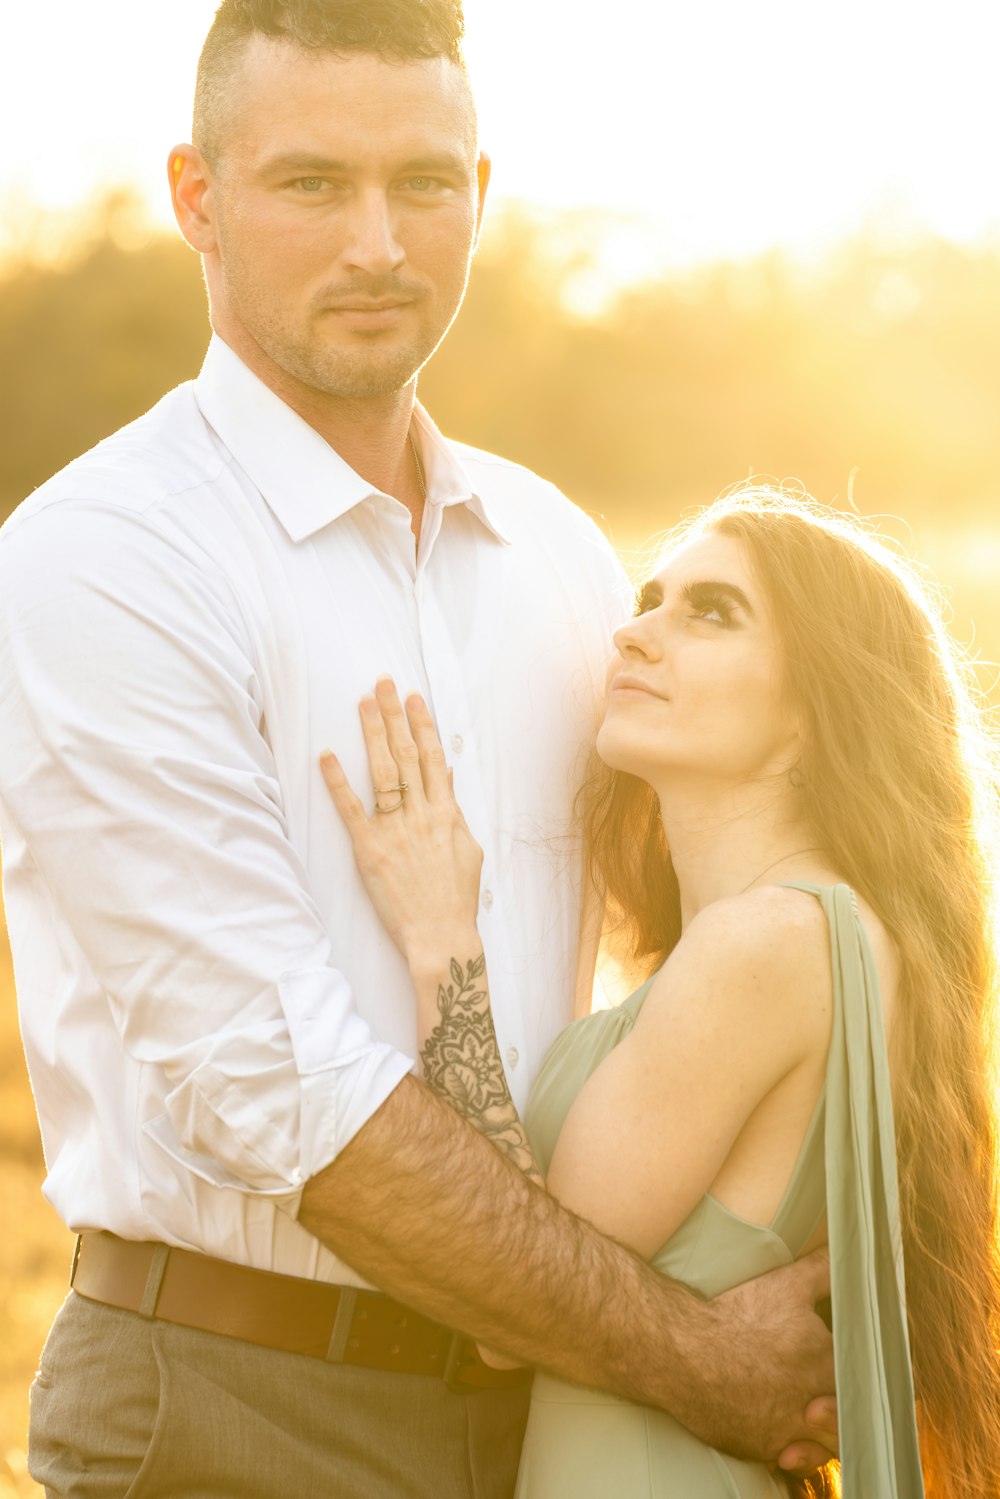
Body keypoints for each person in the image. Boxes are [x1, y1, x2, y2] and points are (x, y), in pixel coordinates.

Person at [0, 4, 837, 1497]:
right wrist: (696, 1354)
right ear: (198, 195)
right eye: (313, 183)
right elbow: (284, 1091)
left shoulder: (565, 561)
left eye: (426, 185)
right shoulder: (105, 557)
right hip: (236, 1411)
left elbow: (718, 929)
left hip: (559, 1426)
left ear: (483, 191)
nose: (380, 243)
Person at [320, 487, 1000, 1498]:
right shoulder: (842, 932)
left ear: (817, 709)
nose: (635, 634)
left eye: (711, 611)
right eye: (649, 599)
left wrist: (441, 938)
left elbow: (510, 1297)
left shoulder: (762, 942)